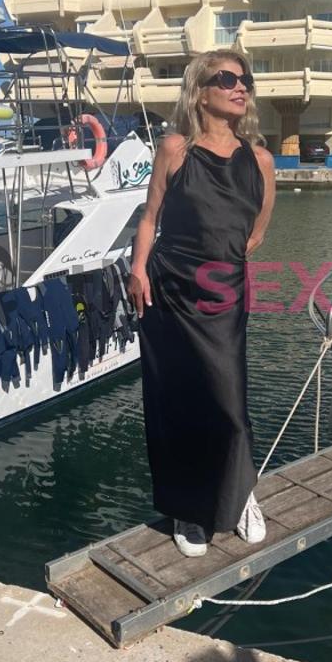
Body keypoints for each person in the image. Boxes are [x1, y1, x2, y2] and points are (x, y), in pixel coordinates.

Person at [128, 49, 276, 557]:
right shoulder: (175, 149)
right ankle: (188, 509)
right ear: (199, 90)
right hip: (167, 290)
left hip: (223, 294)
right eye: (226, 78)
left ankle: (241, 494)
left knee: (229, 402)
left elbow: (254, 234)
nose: (240, 87)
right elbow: (150, 218)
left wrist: (221, 263)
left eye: (245, 79)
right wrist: (138, 269)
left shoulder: (260, 161)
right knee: (176, 401)